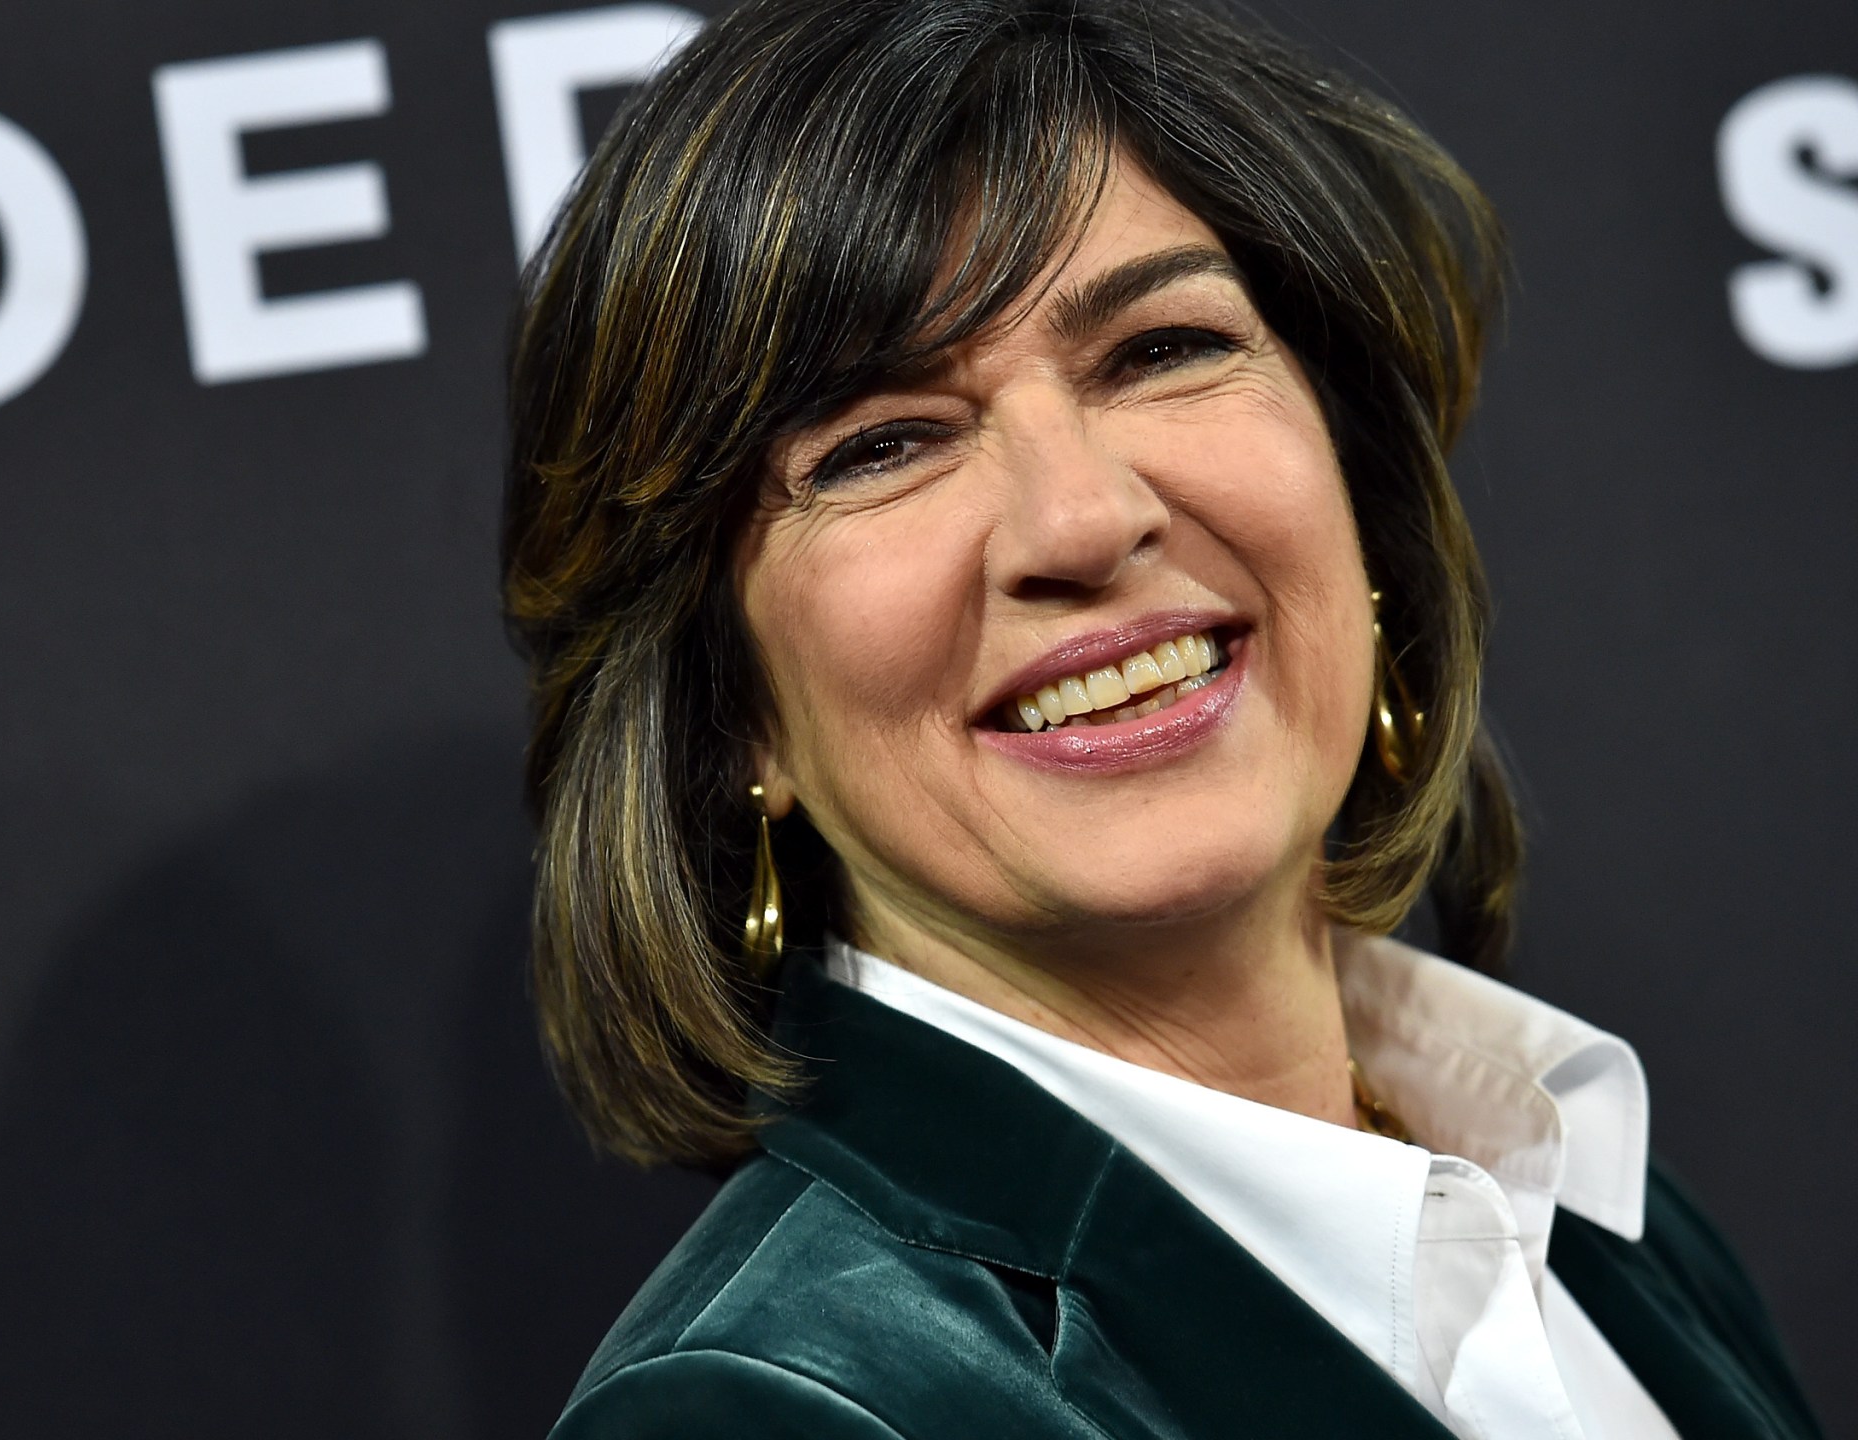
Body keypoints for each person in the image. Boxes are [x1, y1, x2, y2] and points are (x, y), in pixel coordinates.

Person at [500, 1, 1826, 1435]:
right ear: (730, 715)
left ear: (1356, 487)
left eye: (1159, 350)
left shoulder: (1581, 1193)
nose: (1082, 517)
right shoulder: (775, 1408)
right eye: (883, 443)